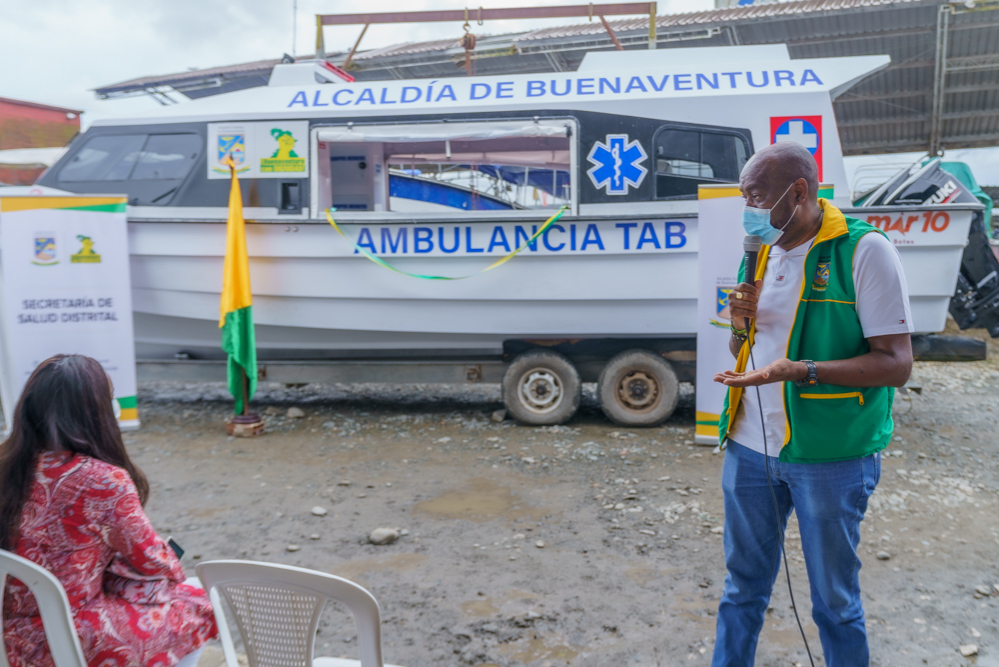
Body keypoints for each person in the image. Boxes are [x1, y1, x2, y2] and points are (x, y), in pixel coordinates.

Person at [711, 142, 913, 667]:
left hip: (831, 456)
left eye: (756, 196)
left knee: (835, 603)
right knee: (741, 591)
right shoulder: (760, 250)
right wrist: (740, 322)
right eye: (744, 198)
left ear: (798, 192)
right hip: (750, 450)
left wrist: (803, 372)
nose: (748, 210)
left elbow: (895, 363)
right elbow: (744, 348)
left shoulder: (864, 252)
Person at [0, 355, 217, 667]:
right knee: (197, 604)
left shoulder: (7, 464)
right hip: (63, 636)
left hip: (8, 632)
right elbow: (154, 560)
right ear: (99, 412)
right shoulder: (102, 480)